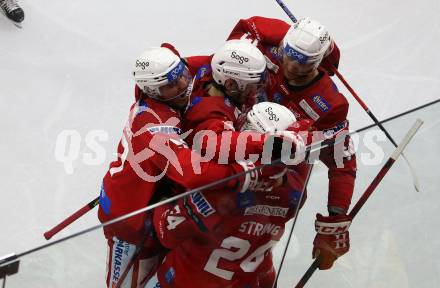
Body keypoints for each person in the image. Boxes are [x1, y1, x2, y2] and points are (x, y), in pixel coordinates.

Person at [97, 46, 283, 288]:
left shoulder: (174, 76)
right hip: (132, 220)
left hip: (159, 204)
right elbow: (193, 172)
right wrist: (245, 173)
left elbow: (221, 60)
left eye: (183, 74)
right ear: (153, 90)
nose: (184, 84)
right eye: (172, 84)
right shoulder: (152, 127)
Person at [226, 16, 357, 270]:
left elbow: (343, 162)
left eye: (305, 61)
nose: (292, 64)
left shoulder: (331, 103)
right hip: (233, 150)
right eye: (289, 54)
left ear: (319, 61)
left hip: (276, 179)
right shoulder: (271, 40)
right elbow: (235, 41)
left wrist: (336, 219)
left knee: (244, 252)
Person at [144, 102, 312, 288]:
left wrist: (163, 200)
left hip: (185, 281)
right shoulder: (295, 191)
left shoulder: (220, 194)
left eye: (245, 126)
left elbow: (167, 233)